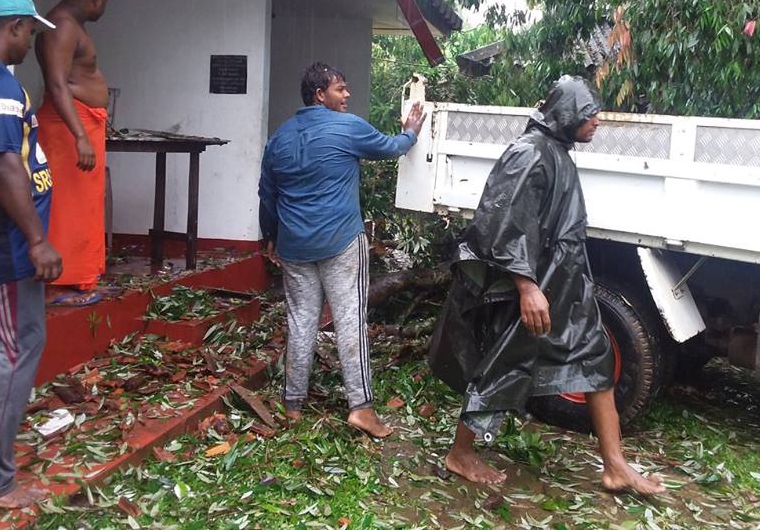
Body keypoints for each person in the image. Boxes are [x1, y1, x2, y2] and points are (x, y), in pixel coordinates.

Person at [428, 76, 665, 494]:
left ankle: (615, 466)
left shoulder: (556, 151)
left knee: (595, 359)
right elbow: (504, 223)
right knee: (505, 364)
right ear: (567, 114)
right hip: (535, 288)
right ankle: (460, 452)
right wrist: (526, 287)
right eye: (590, 114)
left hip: (566, 286)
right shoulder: (529, 153)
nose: (597, 122)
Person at [259, 62, 425, 438]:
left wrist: (270, 235)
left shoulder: (279, 137)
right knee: (350, 320)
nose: (347, 95)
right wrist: (411, 132)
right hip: (341, 242)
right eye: (340, 89)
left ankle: (292, 405)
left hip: (294, 246)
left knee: (301, 322)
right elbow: (391, 147)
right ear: (320, 95)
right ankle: (361, 409)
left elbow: (267, 194)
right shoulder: (347, 127)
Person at [0, 0, 62, 509]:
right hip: (1, 245)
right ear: (14, 28)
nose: (30, 42)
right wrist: (37, 240)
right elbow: (4, 164)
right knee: (14, 349)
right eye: (29, 31)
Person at [35, 0, 110, 292]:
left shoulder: (70, 25)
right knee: (67, 205)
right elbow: (56, 84)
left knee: (84, 203)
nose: (102, 10)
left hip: (80, 123)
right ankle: (60, 282)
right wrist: (80, 135)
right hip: (68, 128)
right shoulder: (62, 25)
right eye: (104, 3)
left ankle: (80, 275)